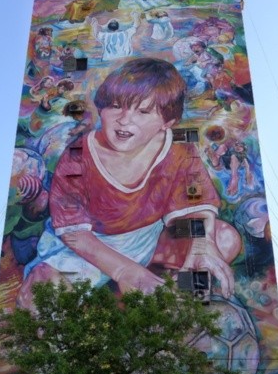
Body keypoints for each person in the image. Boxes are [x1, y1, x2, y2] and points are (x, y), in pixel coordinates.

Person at [18, 58, 241, 309]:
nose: (125, 120)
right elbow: (74, 233)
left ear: (166, 123)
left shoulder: (179, 145)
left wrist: (202, 244)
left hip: (151, 237)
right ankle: (123, 290)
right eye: (116, 106)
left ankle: (168, 299)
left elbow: (196, 202)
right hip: (91, 247)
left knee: (223, 238)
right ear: (101, 109)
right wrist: (125, 271)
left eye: (143, 111)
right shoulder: (77, 157)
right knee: (38, 294)